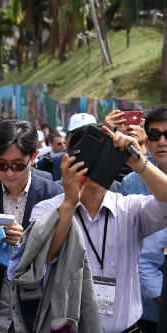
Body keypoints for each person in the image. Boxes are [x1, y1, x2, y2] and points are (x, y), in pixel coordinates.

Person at [25, 124, 167, 333]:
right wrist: (70, 201)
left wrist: (139, 163)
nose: (94, 163)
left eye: (105, 155)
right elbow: (46, 255)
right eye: (87, 155)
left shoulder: (129, 208)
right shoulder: (46, 209)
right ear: (68, 160)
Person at [0, 119, 63, 333]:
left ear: (34, 158)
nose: (10, 173)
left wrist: (28, 240)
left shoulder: (53, 195)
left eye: (18, 165)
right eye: (1, 165)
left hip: (37, 316)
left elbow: (61, 254)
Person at [118, 107, 167, 332]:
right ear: (148, 139)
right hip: (144, 309)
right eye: (155, 136)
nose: (162, 142)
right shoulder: (131, 181)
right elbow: (129, 245)